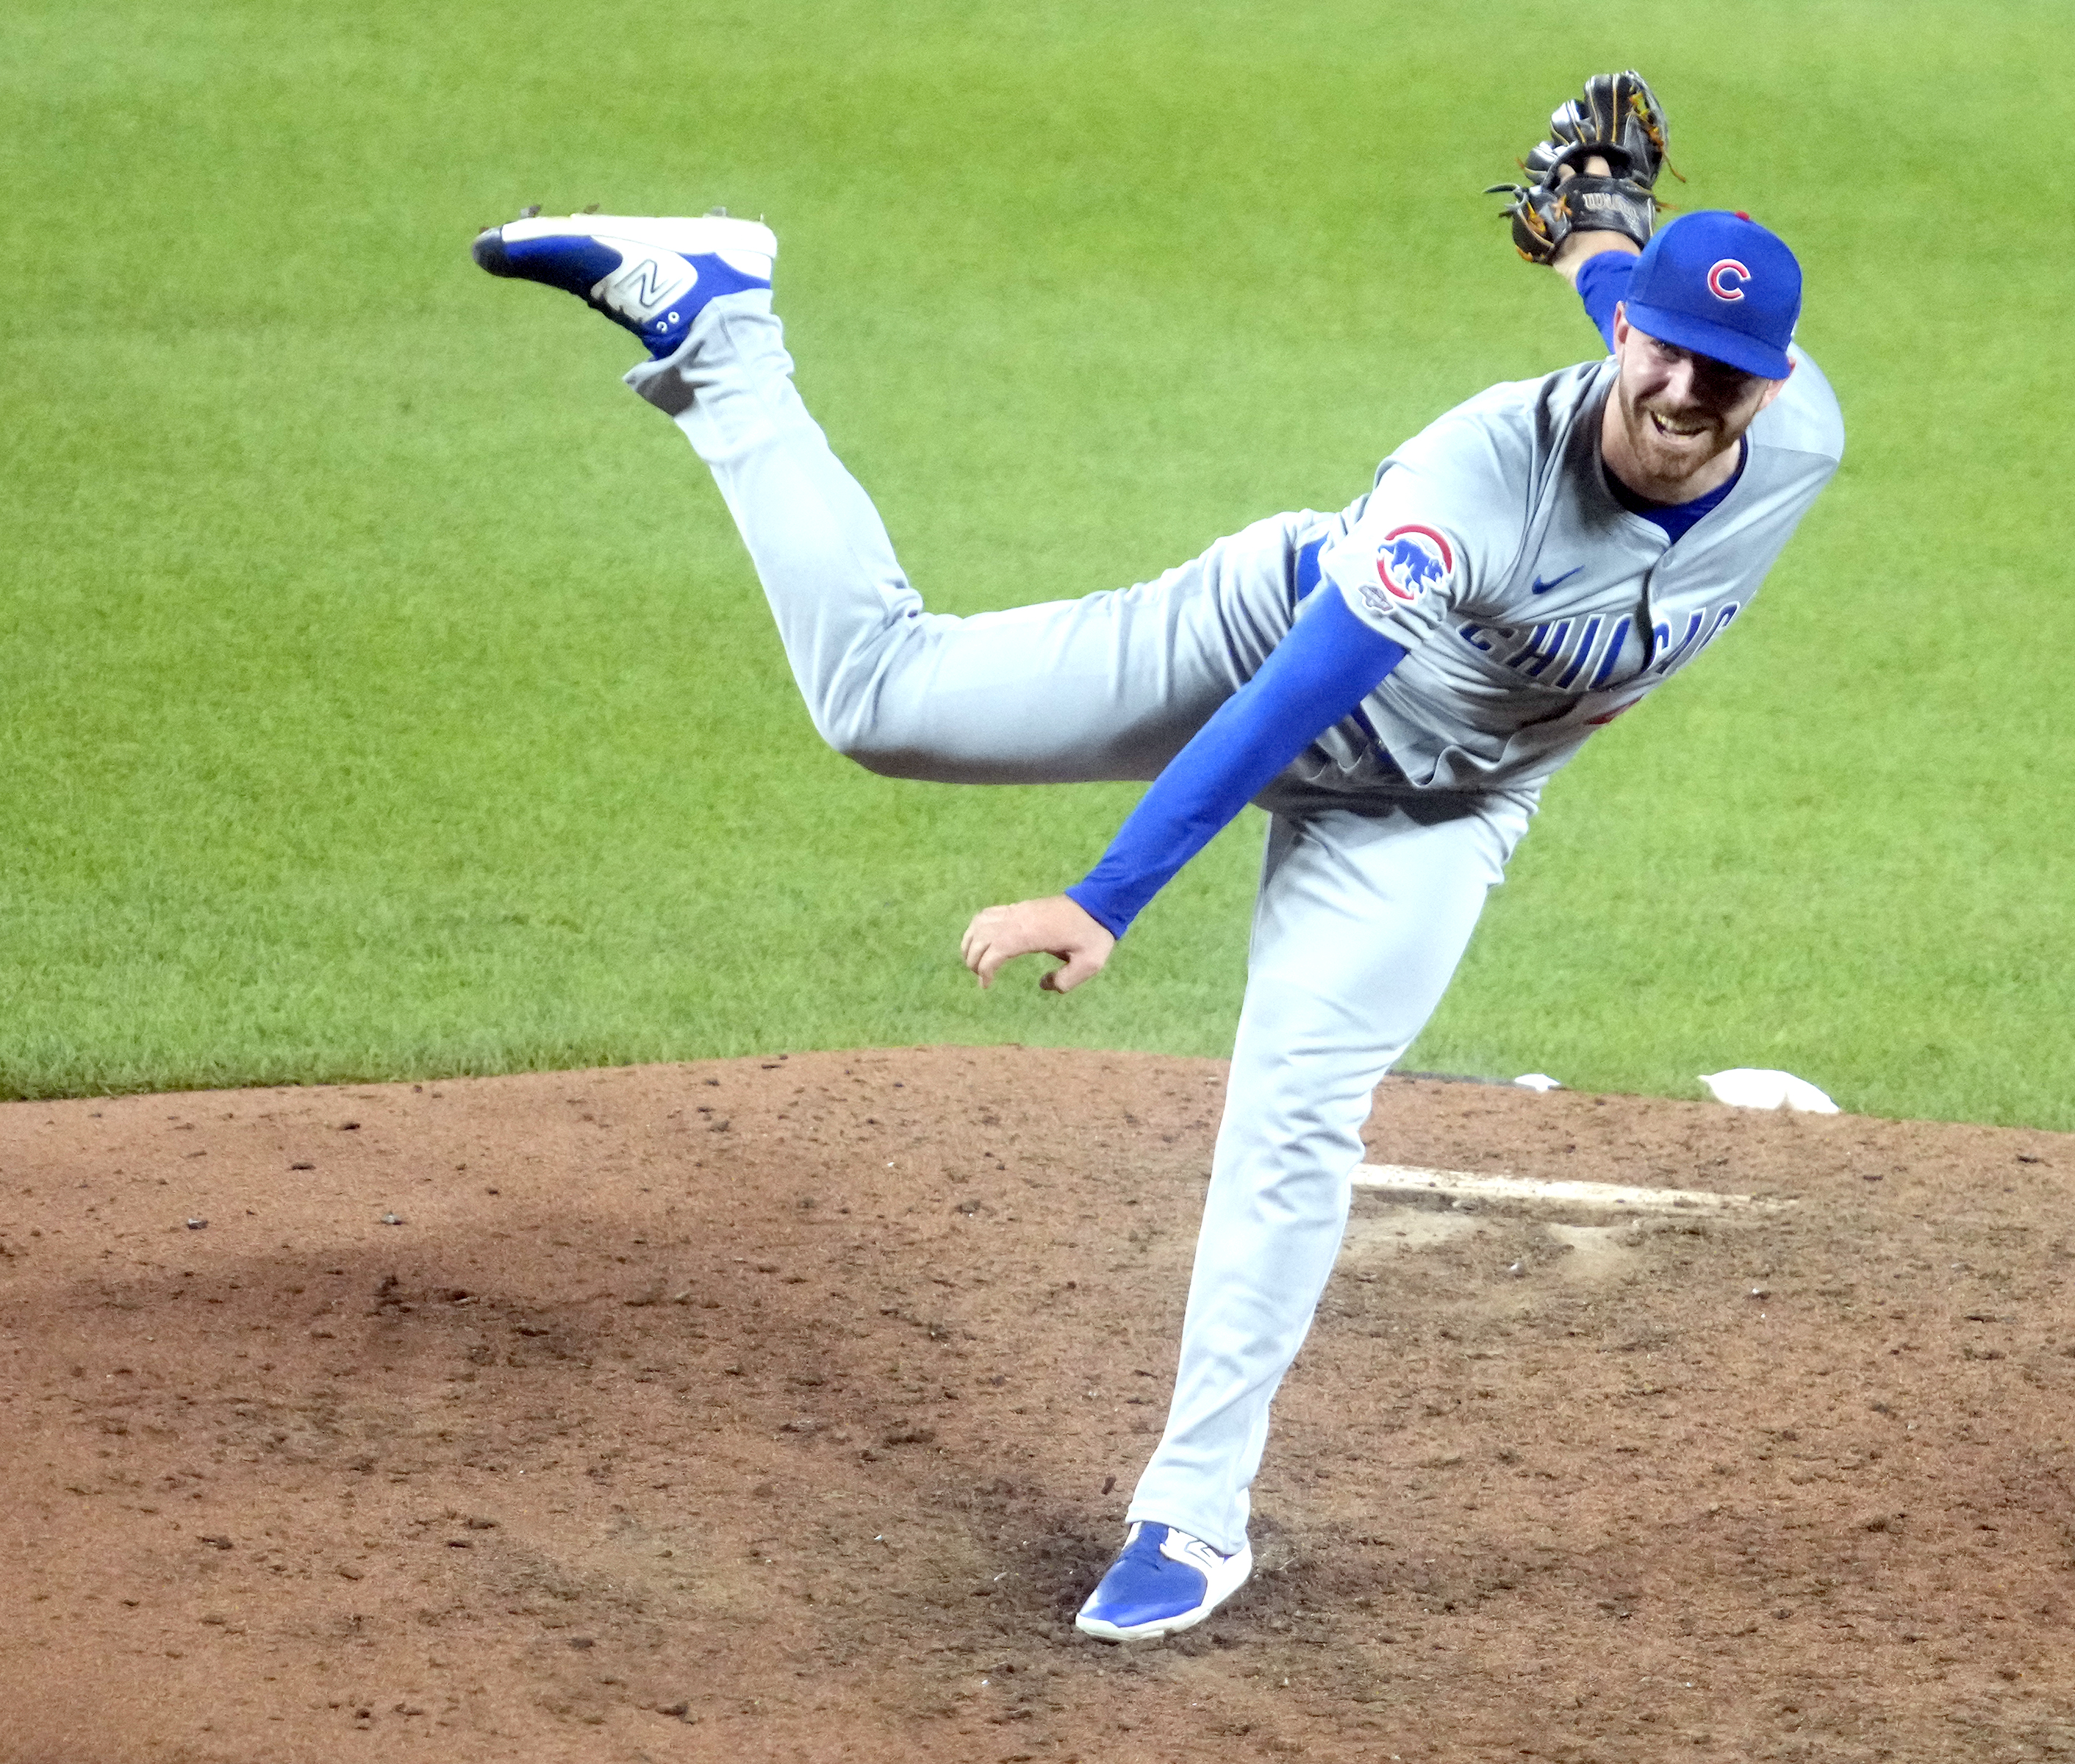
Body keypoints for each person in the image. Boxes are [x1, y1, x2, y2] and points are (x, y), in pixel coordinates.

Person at [471, 73, 1842, 1643]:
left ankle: (1194, 1518)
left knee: (1296, 1116)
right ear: (1621, 345)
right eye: (1663, 348)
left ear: (1776, 377)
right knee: (881, 703)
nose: (1686, 392)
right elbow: (1295, 698)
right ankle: (721, 328)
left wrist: (1600, 239)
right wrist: (1106, 893)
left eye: (1727, 372)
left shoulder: (1794, 435)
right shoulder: (1468, 487)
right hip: (1258, 651)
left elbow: (1647, 295)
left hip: (1438, 817)